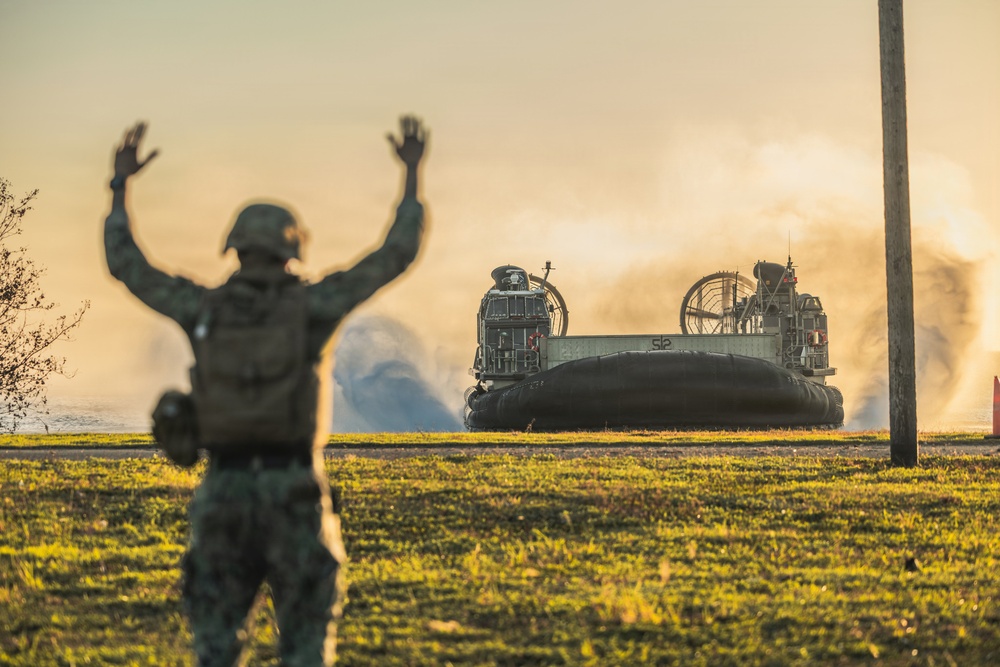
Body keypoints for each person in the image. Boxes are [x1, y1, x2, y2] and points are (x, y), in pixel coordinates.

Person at [103, 116, 428, 666]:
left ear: (234, 249)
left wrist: (120, 187)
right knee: (304, 648)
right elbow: (392, 255)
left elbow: (128, 265)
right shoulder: (312, 309)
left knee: (215, 648)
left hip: (223, 493)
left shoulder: (201, 308)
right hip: (294, 491)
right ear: (291, 251)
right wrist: (413, 175)